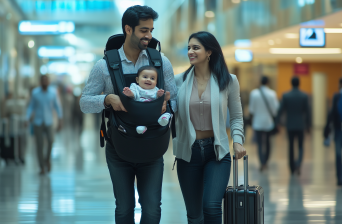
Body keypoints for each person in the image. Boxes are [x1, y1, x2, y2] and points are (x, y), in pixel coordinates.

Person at [79, 5, 177, 223]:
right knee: (124, 208)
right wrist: (107, 99)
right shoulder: (104, 66)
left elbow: (175, 98)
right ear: (128, 29)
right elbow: (85, 102)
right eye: (144, 30)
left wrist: (167, 105)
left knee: (152, 209)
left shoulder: (161, 62)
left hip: (152, 146)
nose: (149, 36)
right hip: (119, 147)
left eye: (151, 30)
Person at [173, 31, 246, 224]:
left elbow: (237, 117)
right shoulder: (178, 81)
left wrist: (237, 141)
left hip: (217, 151)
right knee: (194, 215)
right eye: (189, 48)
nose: (190, 51)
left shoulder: (229, 81)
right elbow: (170, 113)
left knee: (212, 206)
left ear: (209, 52)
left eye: (195, 47)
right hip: (188, 152)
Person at [26, 75, 63, 175]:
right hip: (37, 122)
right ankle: (42, 166)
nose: (44, 82)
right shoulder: (35, 93)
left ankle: (47, 159)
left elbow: (57, 106)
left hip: (49, 121)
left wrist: (60, 119)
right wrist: (27, 118)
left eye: (46, 80)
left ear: (49, 82)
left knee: (51, 140)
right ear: (40, 82)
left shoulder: (53, 93)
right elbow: (31, 107)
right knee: (39, 145)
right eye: (43, 80)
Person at [123, 65, 172, 134]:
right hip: (140, 111)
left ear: (156, 82)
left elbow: (157, 98)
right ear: (137, 79)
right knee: (139, 119)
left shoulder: (155, 89)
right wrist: (129, 93)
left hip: (154, 111)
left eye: (152, 78)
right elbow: (134, 95)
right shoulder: (135, 87)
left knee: (166, 112)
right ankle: (142, 126)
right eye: (145, 77)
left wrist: (159, 95)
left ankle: (163, 119)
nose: (148, 79)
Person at [277, 77, 311, 175]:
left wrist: (278, 123)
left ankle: (292, 167)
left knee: (291, 146)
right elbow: (307, 112)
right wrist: (308, 125)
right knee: (300, 146)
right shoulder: (304, 96)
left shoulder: (286, 95)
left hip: (290, 125)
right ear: (299, 83)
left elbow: (281, 110)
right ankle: (298, 164)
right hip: (301, 125)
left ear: (291, 83)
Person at [249, 76, 279, 171]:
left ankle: (262, 162)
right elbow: (275, 110)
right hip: (268, 122)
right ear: (268, 82)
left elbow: (251, 110)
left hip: (257, 122)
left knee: (259, 143)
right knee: (268, 142)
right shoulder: (272, 93)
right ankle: (266, 161)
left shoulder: (254, 93)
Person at [324, 77, 342, 192]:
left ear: (341, 84)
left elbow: (332, 113)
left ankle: (339, 179)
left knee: (338, 156)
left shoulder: (336, 96)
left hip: (338, 131)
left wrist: (327, 129)